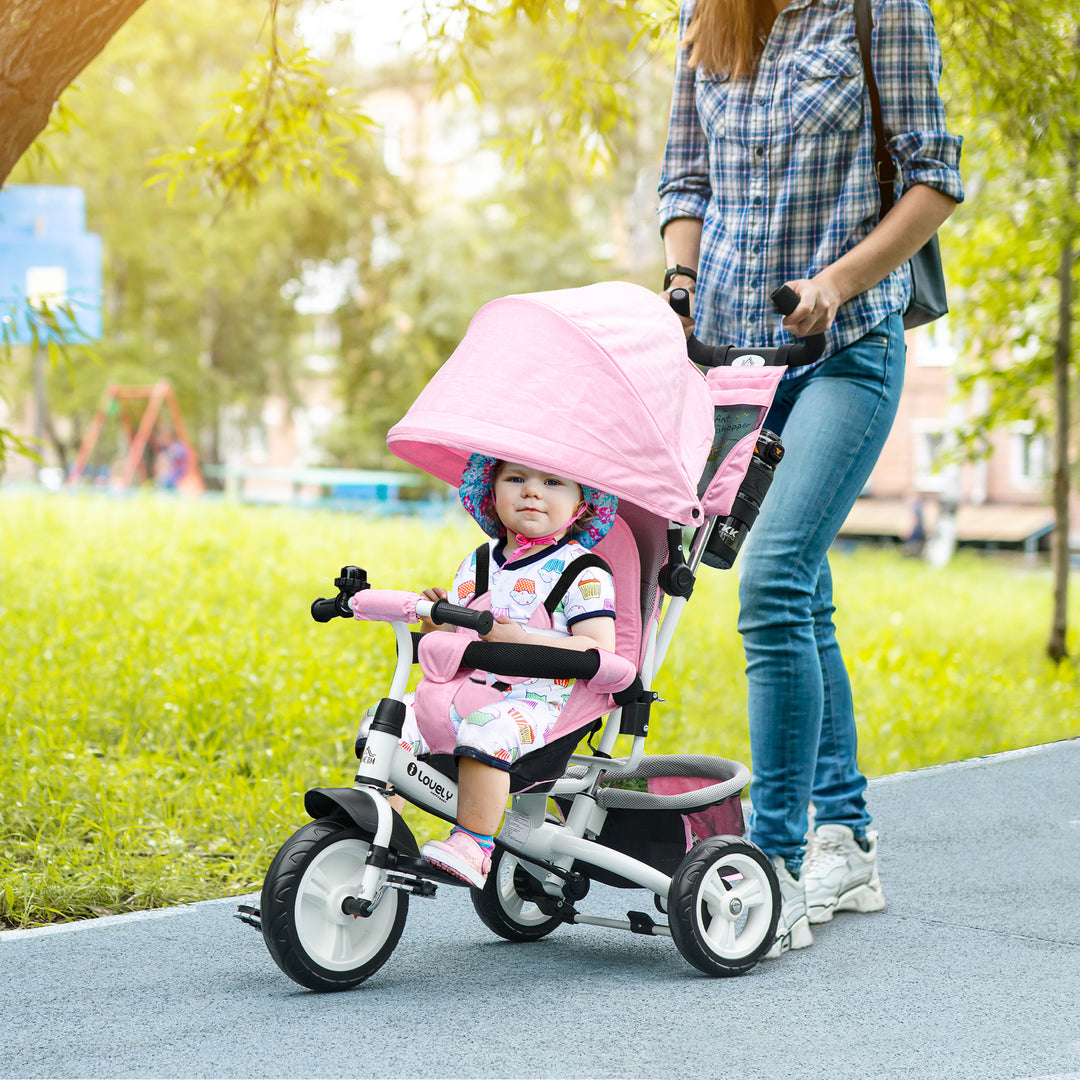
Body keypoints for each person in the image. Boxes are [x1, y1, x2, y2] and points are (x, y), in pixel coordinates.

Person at [657, 0, 963, 956]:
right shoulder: (708, 15)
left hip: (845, 346)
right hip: (736, 358)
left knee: (775, 579)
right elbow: (686, 176)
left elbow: (936, 178)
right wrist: (677, 282)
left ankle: (774, 866)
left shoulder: (882, 12)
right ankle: (849, 838)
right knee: (806, 595)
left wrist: (835, 282)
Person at [354, 455, 619, 888]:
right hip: (463, 689)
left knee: (485, 729)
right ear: (491, 494)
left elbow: (597, 648)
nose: (532, 491)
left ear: (582, 504)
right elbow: (459, 631)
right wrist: (436, 619)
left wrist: (525, 640)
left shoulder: (583, 571)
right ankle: (378, 827)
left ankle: (474, 844)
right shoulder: (480, 561)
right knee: (387, 722)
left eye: (552, 481)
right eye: (516, 479)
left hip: (537, 704)